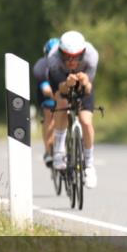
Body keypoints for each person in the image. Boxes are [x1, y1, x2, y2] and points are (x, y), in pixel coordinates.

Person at [47, 31, 100, 188]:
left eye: (76, 57)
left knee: (85, 121)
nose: (71, 61)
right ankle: (59, 151)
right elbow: (59, 90)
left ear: (82, 53)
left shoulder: (92, 56)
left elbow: (88, 89)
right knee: (62, 104)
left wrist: (84, 82)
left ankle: (89, 165)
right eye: (67, 56)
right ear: (60, 53)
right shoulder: (53, 58)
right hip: (62, 83)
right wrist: (67, 83)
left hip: (83, 84)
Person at [33, 37, 60, 167]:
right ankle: (49, 150)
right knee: (50, 116)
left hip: (61, 90)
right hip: (49, 93)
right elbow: (45, 89)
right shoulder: (43, 65)